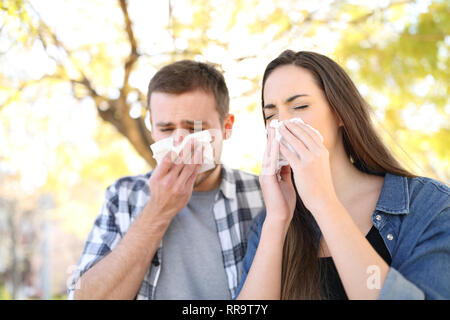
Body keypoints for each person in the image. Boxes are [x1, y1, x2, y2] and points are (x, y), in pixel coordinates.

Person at [235, 50, 450, 300]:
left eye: (300, 106)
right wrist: (277, 220)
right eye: (271, 115)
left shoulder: (428, 205)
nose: (281, 123)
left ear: (339, 112)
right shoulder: (268, 224)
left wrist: (324, 203)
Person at [68, 60, 264, 300]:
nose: (181, 143)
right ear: (152, 127)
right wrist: (157, 210)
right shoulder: (123, 196)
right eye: (167, 128)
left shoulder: (264, 195)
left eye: (194, 128)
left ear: (226, 127)